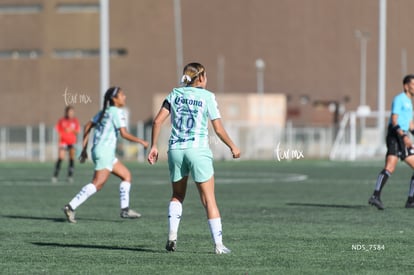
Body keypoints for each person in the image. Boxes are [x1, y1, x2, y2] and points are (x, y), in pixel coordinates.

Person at [147, 62, 241, 254]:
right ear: (200, 78)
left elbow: (157, 121)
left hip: (176, 150)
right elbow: (218, 129)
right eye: (205, 76)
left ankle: (172, 237)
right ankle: (219, 245)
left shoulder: (175, 94)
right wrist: (232, 146)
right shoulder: (207, 97)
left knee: (177, 196)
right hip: (197, 150)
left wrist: (154, 146)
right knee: (209, 199)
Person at [63, 87, 149, 223]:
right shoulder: (116, 112)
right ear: (114, 99)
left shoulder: (104, 112)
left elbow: (87, 126)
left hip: (100, 151)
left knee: (126, 175)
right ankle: (70, 206)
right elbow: (124, 133)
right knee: (97, 184)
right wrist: (141, 141)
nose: (124, 96)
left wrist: (85, 148)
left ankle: (125, 209)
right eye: (122, 94)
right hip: (105, 152)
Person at [369, 74, 414, 210]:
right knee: (390, 167)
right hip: (395, 136)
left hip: (403, 136)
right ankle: (375, 196)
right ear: (406, 86)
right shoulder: (399, 99)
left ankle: (410, 201)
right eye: (413, 84)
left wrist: (409, 133)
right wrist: (403, 136)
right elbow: (394, 120)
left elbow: (410, 124)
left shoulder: (409, 102)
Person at [52, 106, 80, 183]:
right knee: (61, 157)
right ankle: (55, 175)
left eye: (72, 112)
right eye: (69, 112)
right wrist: (59, 142)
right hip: (63, 142)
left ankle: (70, 176)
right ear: (66, 112)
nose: (71, 113)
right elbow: (58, 132)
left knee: (71, 158)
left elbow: (77, 131)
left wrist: (72, 130)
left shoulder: (75, 121)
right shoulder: (62, 121)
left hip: (72, 142)